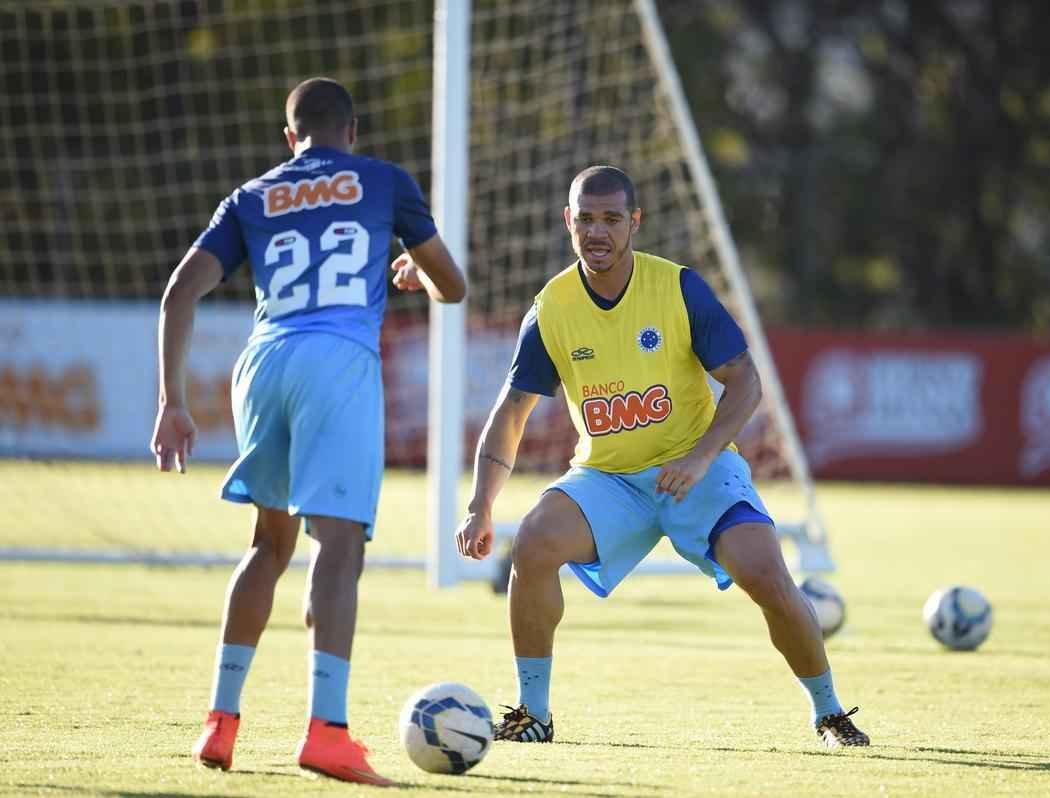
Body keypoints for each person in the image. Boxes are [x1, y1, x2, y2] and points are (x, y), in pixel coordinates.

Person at [455, 165, 869, 748]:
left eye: (612, 220)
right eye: (586, 220)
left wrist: (701, 458)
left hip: (696, 467)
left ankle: (829, 713)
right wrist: (479, 505)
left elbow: (746, 381)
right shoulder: (551, 307)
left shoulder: (677, 287)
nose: (598, 232)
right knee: (534, 542)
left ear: (635, 223)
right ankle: (534, 714)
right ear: (567, 221)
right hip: (610, 478)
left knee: (765, 573)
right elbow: (511, 412)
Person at [150, 77, 466, 785]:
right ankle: (327, 731)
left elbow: (178, 292)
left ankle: (220, 722)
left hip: (261, 364)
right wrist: (416, 269)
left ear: (290, 138)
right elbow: (455, 287)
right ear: (351, 132)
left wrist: (171, 400)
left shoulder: (252, 195)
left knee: (269, 543)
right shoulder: (384, 181)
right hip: (338, 364)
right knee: (340, 544)